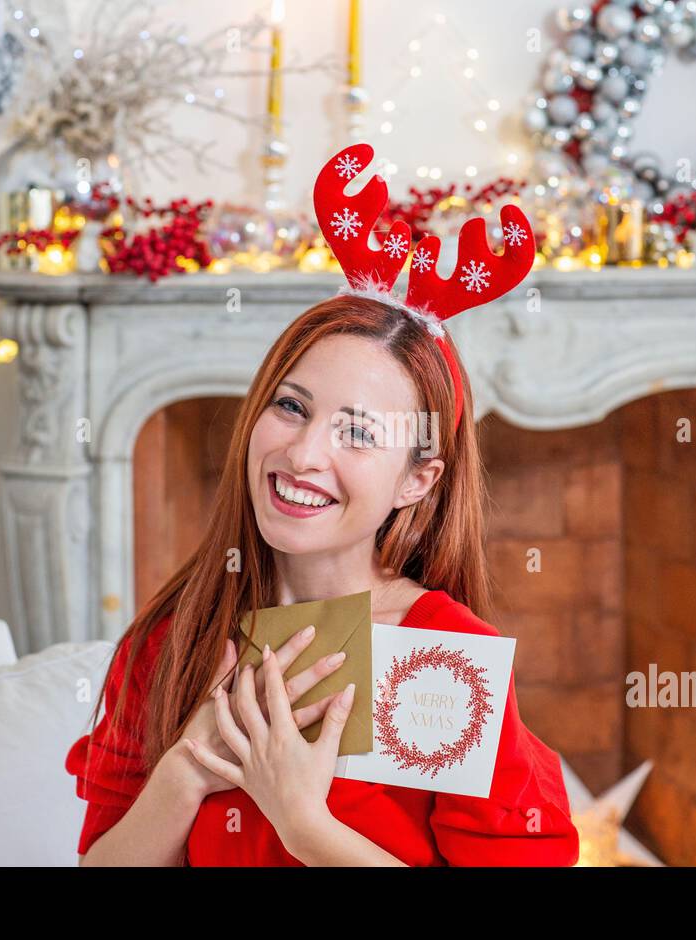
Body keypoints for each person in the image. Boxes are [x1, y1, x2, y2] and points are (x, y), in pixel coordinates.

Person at [64, 144, 580, 866]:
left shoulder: (439, 657)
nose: (305, 454)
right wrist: (187, 769)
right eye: (291, 406)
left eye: (359, 433)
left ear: (417, 480)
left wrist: (304, 821)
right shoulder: (174, 639)